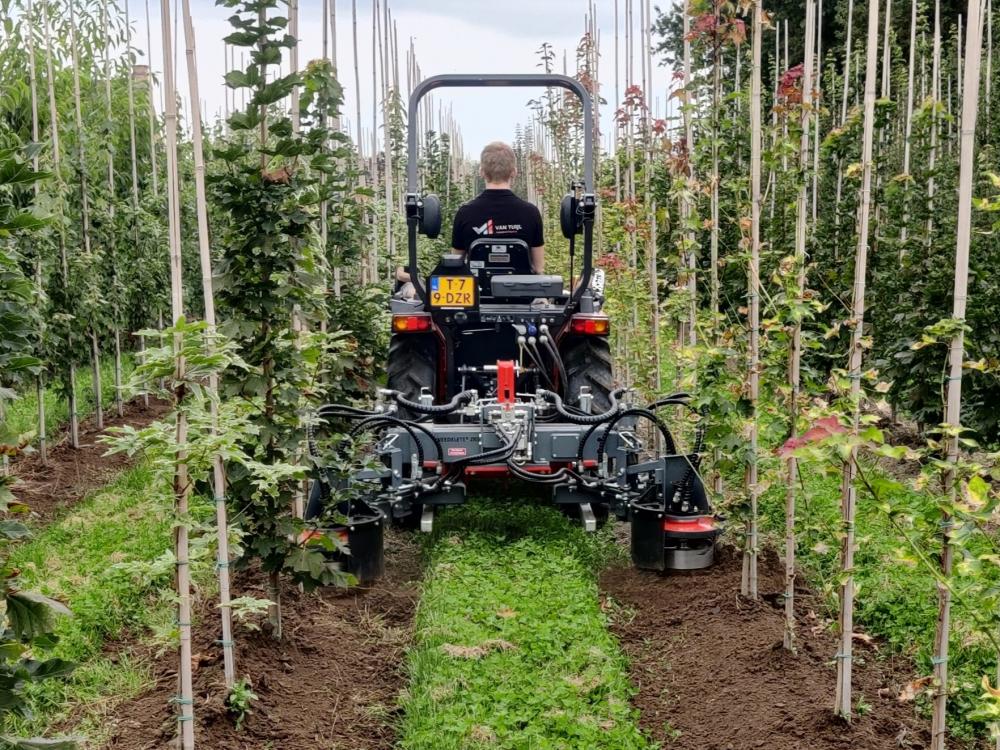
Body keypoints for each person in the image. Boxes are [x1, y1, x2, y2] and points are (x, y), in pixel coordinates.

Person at [396, 141, 545, 298]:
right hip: (523, 299)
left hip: (476, 299)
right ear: (514, 172)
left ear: (481, 172)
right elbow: (538, 267)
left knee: (408, 288)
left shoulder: (465, 213)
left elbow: (456, 262)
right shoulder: (531, 213)